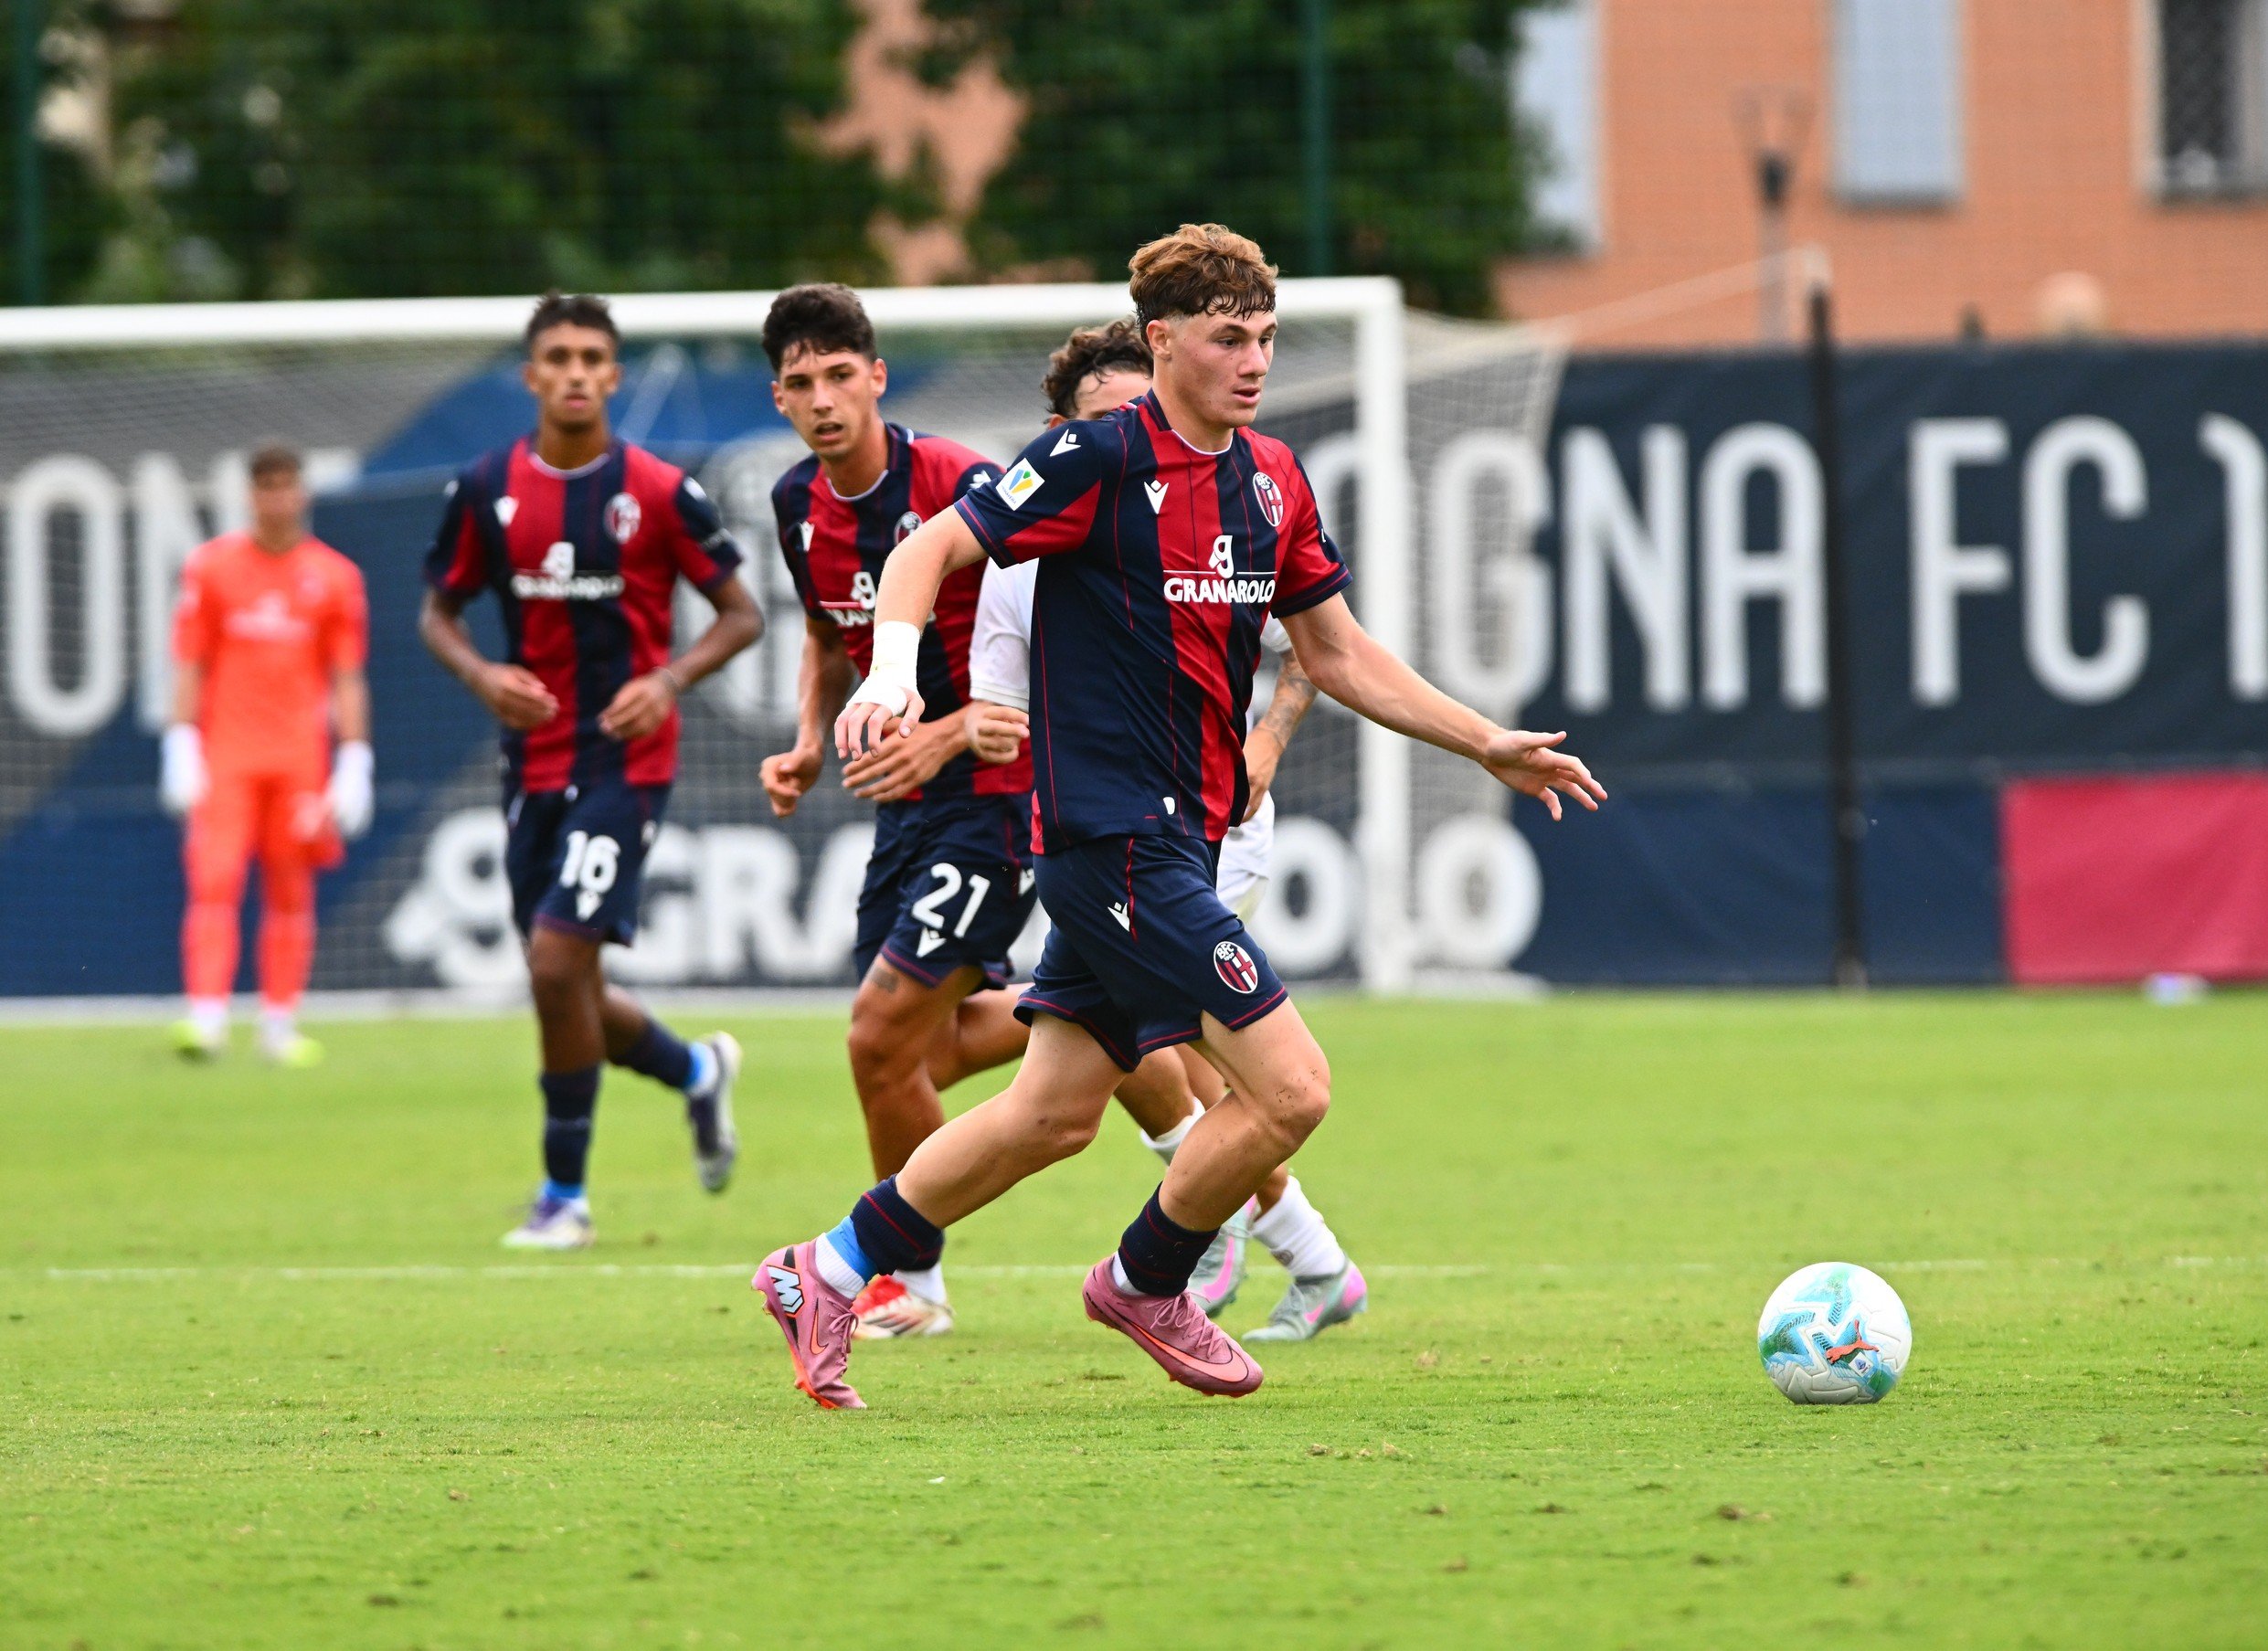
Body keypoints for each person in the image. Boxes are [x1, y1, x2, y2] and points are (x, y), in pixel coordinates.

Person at [753, 225, 1604, 1409]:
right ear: (1161, 342)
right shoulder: (1092, 458)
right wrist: (894, 673)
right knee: (1291, 1087)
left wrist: (1486, 740)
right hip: (1109, 840)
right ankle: (1148, 1280)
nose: (1251, 358)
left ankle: (825, 1267)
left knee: (1049, 1114)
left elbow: (1338, 653)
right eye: (1224, 336)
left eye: (1263, 336)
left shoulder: (1270, 479)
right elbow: (929, 549)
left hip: (1179, 839)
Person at [756, 283, 1205, 1339]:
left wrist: (954, 729)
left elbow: (1055, 625)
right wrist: (812, 738)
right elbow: (830, 640)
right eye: (800, 383)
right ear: (779, 398)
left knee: (878, 1027)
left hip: (996, 793)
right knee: (908, 1053)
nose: (823, 400)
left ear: (874, 376)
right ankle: (1097, 1010)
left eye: (839, 375)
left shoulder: (959, 480)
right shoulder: (795, 504)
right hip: (903, 800)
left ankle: (903, 1274)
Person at [960, 317, 1366, 1342]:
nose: (1142, 443)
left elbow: (1322, 649)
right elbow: (1000, 720)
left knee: (1229, 1069)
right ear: (1063, 441)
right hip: (1120, 837)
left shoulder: (1240, 489)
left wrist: (1267, 738)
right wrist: (938, 734)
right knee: (1114, 1080)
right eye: (1109, 426)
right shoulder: (1027, 558)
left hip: (1212, 830)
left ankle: (1210, 1239)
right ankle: (1273, 1246)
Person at [419, 291, 764, 1251]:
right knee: (558, 982)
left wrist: (669, 678)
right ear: (530, 375)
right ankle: (696, 1072)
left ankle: (563, 1197)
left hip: (626, 761)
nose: (575, 372)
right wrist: (484, 672)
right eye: (557, 357)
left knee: (554, 959)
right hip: (531, 762)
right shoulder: (486, 487)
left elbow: (741, 613)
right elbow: (436, 614)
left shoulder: (655, 489)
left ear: (614, 375)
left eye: (592, 357)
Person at [163, 444, 373, 1066]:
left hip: (298, 759)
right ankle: (207, 1017)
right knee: (215, 879)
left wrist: (355, 756)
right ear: (251, 495)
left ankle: (279, 1023)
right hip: (226, 753)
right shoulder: (212, 569)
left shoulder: (335, 577)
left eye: (288, 486)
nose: (278, 498)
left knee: (290, 889)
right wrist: (180, 742)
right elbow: (190, 662)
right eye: (267, 487)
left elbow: (347, 676)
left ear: (302, 493)